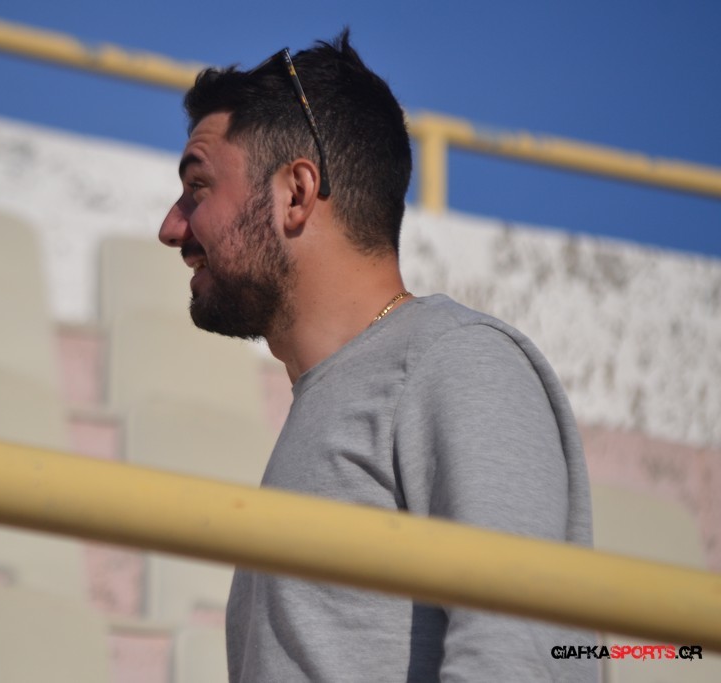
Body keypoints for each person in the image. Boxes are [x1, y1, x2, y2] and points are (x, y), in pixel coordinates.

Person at [158, 29, 597, 683]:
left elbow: (516, 658)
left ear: (296, 193)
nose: (171, 228)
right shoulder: (339, 395)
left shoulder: (458, 360)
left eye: (198, 187)